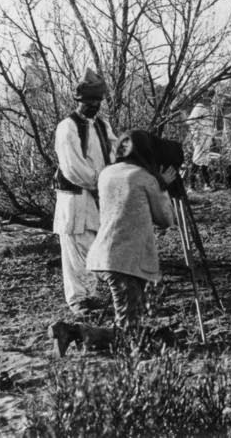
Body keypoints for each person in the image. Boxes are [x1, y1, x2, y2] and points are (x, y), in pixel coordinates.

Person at [87, 130, 176, 334]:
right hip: (126, 261)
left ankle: (81, 333)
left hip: (103, 256)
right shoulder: (143, 177)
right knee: (129, 329)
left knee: (129, 320)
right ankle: (76, 333)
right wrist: (162, 186)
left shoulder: (106, 173)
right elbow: (166, 219)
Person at [53, 69, 116, 315]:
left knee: (95, 246)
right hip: (76, 197)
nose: (93, 106)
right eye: (89, 102)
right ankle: (79, 300)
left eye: (97, 101)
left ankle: (90, 296)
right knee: (75, 248)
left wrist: (112, 179)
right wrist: (99, 183)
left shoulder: (102, 125)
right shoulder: (67, 128)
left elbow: (114, 152)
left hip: (98, 197)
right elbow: (72, 167)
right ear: (79, 101)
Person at [186, 90, 216, 192]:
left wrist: (211, 135)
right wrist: (198, 132)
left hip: (207, 138)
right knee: (197, 159)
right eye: (209, 96)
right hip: (200, 138)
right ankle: (191, 186)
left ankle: (206, 185)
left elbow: (210, 124)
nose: (211, 99)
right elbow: (190, 122)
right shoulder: (199, 108)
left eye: (212, 97)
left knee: (204, 161)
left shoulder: (208, 108)